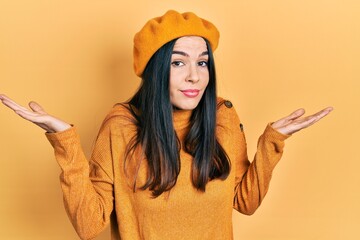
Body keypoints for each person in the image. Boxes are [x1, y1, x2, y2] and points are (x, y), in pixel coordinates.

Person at [0, 10, 332, 240]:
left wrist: (271, 143)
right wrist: (64, 141)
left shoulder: (223, 117)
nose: (194, 76)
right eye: (178, 62)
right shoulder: (121, 127)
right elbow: (89, 226)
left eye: (202, 62)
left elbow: (245, 202)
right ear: (156, 70)